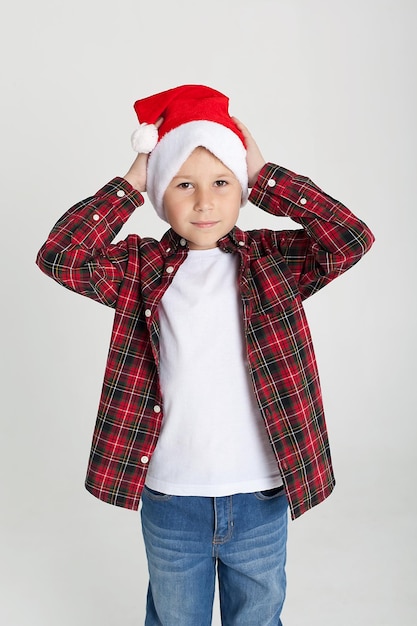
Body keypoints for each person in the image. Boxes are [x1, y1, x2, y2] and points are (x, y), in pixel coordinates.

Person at [36, 84, 375, 625]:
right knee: (175, 618)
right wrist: (129, 185)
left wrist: (267, 179)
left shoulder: (271, 261)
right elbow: (61, 256)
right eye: (183, 184)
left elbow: (350, 239)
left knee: (258, 616)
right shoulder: (141, 269)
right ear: (159, 195)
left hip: (260, 492)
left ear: (240, 189)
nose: (204, 201)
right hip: (172, 496)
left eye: (222, 182)